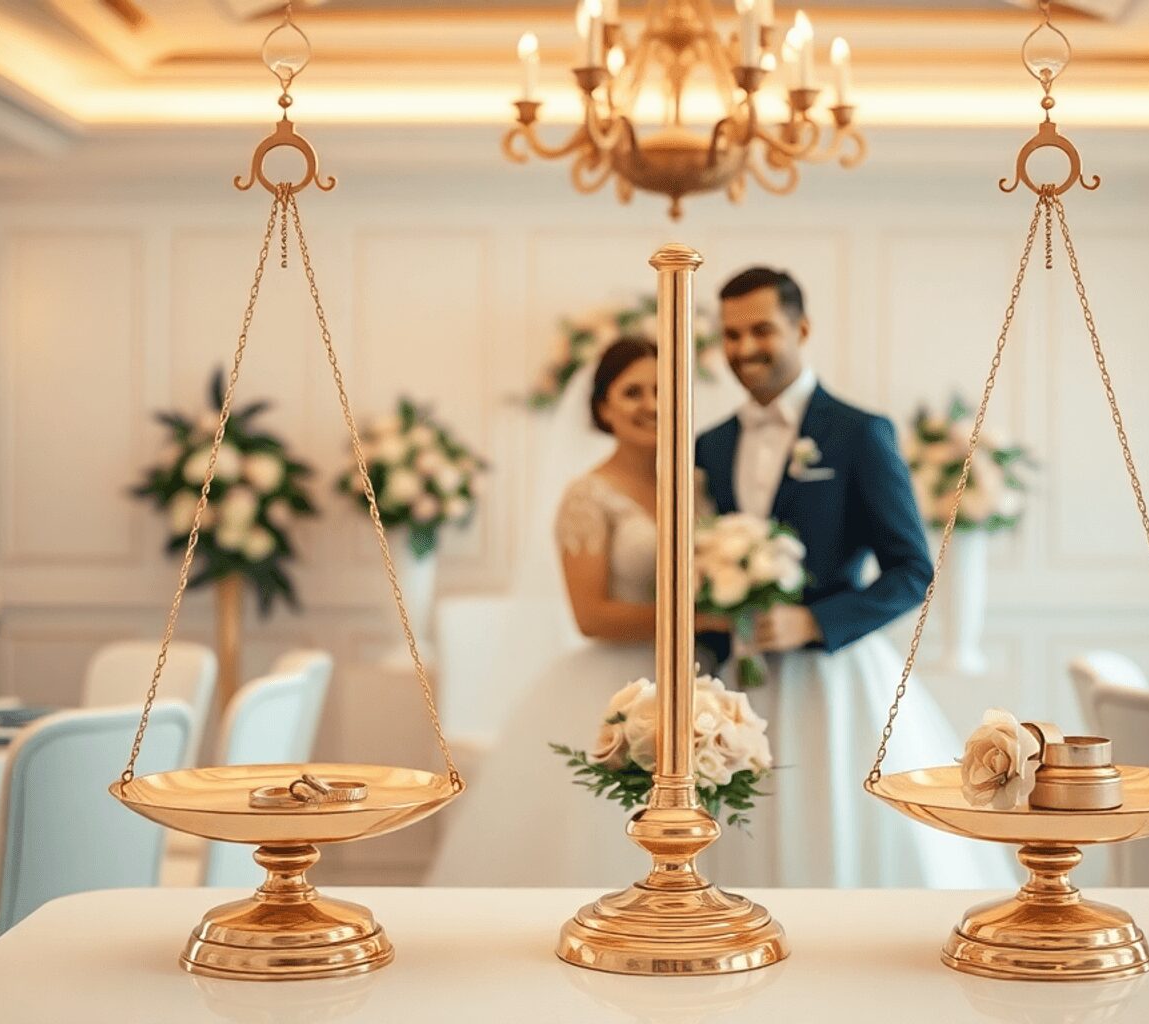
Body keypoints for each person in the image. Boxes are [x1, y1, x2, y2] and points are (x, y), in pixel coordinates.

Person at [694, 266, 1017, 889]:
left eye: (761, 330)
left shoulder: (860, 433)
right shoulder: (709, 444)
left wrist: (815, 620)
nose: (743, 350)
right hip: (735, 684)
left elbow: (912, 570)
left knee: (829, 824)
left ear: (802, 328)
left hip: (832, 684)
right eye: (730, 336)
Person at [426, 339, 669, 886]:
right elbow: (591, 616)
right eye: (632, 392)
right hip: (615, 687)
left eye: (661, 389)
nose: (649, 403)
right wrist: (700, 621)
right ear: (603, 407)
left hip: (697, 683)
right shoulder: (587, 495)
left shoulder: (695, 484)